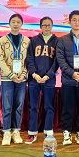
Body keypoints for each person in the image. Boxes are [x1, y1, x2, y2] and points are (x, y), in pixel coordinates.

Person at [57, 10, 79, 146]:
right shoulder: (62, 40)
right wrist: (72, 73)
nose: (76, 22)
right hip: (68, 80)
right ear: (69, 21)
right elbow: (61, 60)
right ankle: (67, 132)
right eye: (74, 20)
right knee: (67, 108)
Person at [0, 13, 30, 146]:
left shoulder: (27, 41)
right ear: (9, 23)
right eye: (13, 22)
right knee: (7, 106)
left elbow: (29, 60)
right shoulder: (3, 40)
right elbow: (0, 59)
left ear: (21, 24)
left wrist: (23, 74)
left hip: (22, 79)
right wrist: (11, 75)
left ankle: (16, 131)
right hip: (7, 78)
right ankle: (6, 131)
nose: (16, 24)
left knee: (19, 105)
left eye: (18, 22)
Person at [25, 16, 59, 144]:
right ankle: (32, 133)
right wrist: (34, 74)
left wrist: (48, 75)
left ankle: (48, 131)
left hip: (49, 80)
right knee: (33, 106)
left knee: (49, 106)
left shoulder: (57, 41)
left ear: (52, 26)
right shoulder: (34, 40)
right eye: (44, 25)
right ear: (40, 27)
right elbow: (29, 58)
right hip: (34, 79)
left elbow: (57, 61)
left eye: (49, 25)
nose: (46, 27)